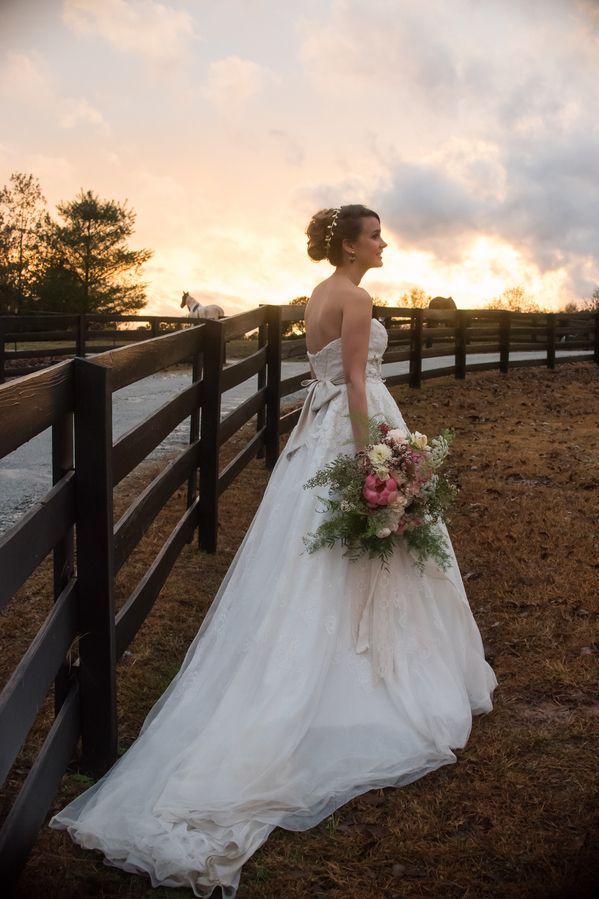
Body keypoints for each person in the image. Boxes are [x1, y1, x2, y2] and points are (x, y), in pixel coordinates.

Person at [50, 205, 496, 897]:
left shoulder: (317, 295)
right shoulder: (355, 295)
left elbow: (318, 378)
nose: (383, 243)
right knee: (363, 550)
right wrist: (372, 459)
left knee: (304, 564)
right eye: (374, 233)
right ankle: (358, 682)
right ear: (350, 242)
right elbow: (353, 381)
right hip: (351, 428)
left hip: (314, 432)